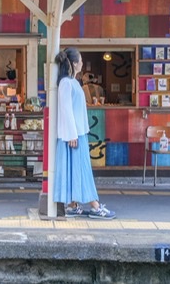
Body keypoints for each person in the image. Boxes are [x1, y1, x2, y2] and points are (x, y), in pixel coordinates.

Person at [54, 47, 116, 220]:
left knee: (76, 170)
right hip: (74, 135)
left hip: (76, 134)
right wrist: (72, 134)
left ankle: (73, 204)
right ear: (74, 64)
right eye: (80, 60)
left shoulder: (72, 82)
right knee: (82, 170)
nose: (82, 63)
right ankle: (95, 206)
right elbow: (66, 110)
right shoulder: (67, 83)